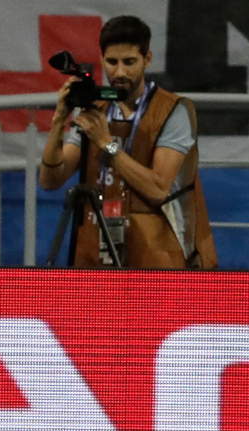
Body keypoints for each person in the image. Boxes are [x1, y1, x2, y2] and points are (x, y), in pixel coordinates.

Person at [39, 15, 217, 269]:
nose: (120, 72)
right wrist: (59, 120)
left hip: (158, 255)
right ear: (101, 59)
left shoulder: (173, 110)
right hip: (97, 250)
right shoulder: (94, 109)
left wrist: (107, 144)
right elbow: (50, 180)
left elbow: (158, 189)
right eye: (112, 62)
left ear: (147, 59)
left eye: (129, 62)